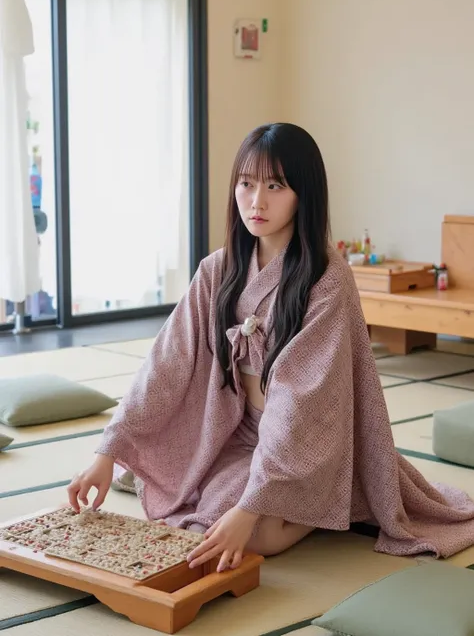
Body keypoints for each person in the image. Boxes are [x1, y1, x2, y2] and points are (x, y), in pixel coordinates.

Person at [68, 122, 474, 574]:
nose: (256, 201)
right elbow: (166, 364)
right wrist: (107, 451)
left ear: (304, 193)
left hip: (310, 439)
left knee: (246, 528)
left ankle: (339, 494)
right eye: (246, 183)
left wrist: (252, 506)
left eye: (275, 186)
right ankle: (278, 498)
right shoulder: (217, 270)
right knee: (188, 501)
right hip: (235, 432)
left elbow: (302, 402)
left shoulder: (327, 278)